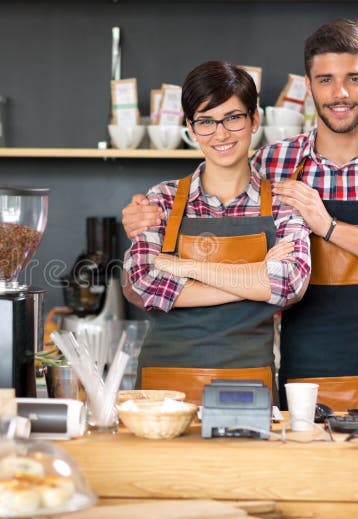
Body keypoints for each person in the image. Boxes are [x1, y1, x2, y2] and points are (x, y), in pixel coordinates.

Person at [122, 19, 358, 410]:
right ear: (308, 86)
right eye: (325, 79)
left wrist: (325, 225)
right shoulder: (273, 162)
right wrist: (140, 217)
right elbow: (216, 185)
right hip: (303, 369)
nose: (339, 93)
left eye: (353, 78)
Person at [122, 61, 311, 404]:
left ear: (254, 121)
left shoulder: (283, 204)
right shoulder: (161, 200)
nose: (220, 134)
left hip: (248, 387)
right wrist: (255, 278)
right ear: (191, 129)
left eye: (232, 118)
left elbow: (289, 284)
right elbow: (143, 281)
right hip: (162, 389)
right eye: (206, 122)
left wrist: (184, 267)